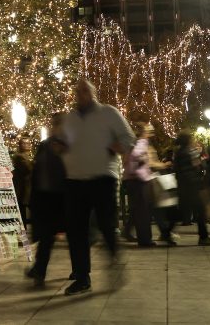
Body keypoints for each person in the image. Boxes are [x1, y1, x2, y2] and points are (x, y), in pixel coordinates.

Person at [60, 78, 136, 297]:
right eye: (78, 91)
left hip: (103, 177)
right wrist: (60, 147)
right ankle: (82, 277)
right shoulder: (70, 118)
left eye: (85, 90)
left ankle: (114, 260)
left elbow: (129, 138)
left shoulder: (108, 113)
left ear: (93, 93)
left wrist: (117, 147)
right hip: (75, 179)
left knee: (106, 224)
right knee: (76, 230)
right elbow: (64, 142)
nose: (80, 94)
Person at [25, 113, 67, 287]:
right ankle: (39, 269)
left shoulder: (67, 146)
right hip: (42, 197)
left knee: (48, 237)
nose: (53, 127)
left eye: (57, 124)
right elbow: (36, 170)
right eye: (53, 124)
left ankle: (40, 270)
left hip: (59, 198)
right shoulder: (44, 145)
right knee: (45, 236)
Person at [123, 122, 176, 248]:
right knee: (144, 211)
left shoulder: (131, 143)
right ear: (144, 132)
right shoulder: (142, 143)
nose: (151, 132)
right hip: (141, 180)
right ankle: (146, 240)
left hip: (133, 180)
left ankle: (141, 236)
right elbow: (138, 156)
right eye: (148, 130)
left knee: (140, 210)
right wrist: (144, 166)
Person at [173, 131, 210, 247]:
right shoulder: (185, 153)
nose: (192, 140)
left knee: (183, 212)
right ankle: (203, 237)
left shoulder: (182, 152)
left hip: (187, 187)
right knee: (198, 211)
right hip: (191, 187)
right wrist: (198, 181)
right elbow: (188, 171)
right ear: (187, 140)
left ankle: (166, 232)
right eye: (191, 138)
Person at [11, 139, 32, 224]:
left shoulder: (26, 156)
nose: (27, 145)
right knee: (23, 207)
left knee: (23, 207)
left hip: (25, 186)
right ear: (20, 145)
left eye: (28, 143)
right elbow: (28, 168)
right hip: (22, 186)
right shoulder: (20, 157)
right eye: (24, 143)